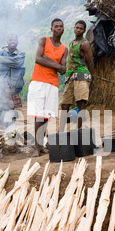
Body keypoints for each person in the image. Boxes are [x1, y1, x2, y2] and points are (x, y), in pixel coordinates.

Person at [27, 18, 68, 157]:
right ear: (51, 29)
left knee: (46, 116)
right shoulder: (44, 40)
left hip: (52, 84)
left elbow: (64, 69)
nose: (58, 28)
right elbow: (38, 58)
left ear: (63, 29)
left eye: (61, 26)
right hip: (38, 81)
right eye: (56, 26)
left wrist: (48, 60)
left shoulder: (64, 49)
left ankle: (40, 145)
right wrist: (56, 65)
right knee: (39, 115)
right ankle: (37, 147)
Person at [60, 20, 94, 130]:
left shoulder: (84, 44)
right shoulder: (71, 43)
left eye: (81, 28)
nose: (78, 29)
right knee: (64, 104)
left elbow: (91, 62)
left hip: (81, 75)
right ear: (74, 28)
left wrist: (90, 78)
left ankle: (78, 130)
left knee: (81, 103)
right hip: (70, 76)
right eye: (77, 27)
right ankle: (62, 130)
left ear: (84, 30)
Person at [0, 33, 26, 139]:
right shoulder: (1, 51)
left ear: (18, 41)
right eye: (10, 39)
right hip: (0, 87)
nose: (12, 41)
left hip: (13, 88)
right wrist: (12, 64)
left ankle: (9, 136)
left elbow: (18, 63)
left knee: (11, 112)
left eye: (14, 39)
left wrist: (2, 61)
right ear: (7, 41)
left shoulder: (20, 54)